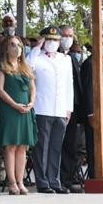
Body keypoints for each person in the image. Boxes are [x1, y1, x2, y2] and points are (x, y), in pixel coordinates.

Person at [27, 26, 73, 194]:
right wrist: (36, 48)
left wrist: (69, 108)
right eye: (49, 40)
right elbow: (27, 68)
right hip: (42, 108)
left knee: (56, 147)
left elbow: (69, 85)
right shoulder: (36, 58)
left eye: (55, 40)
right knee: (42, 148)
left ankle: (54, 180)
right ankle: (42, 181)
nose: (52, 43)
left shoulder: (64, 59)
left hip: (60, 109)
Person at [0, 35, 37, 195]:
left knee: (23, 146)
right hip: (10, 109)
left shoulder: (25, 67)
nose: (17, 48)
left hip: (25, 110)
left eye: (19, 45)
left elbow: (33, 88)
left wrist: (31, 103)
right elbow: (0, 89)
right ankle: (12, 181)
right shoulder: (2, 67)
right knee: (11, 146)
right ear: (6, 48)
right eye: (13, 45)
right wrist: (14, 104)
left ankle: (20, 181)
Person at [80, 35, 103, 183]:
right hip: (96, 112)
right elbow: (88, 89)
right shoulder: (90, 64)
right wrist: (90, 112)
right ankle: (95, 176)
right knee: (94, 147)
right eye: (102, 43)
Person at [57, 25, 87, 193]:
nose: (67, 38)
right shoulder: (52, 56)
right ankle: (58, 179)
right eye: (64, 35)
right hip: (56, 107)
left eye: (70, 35)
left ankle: (68, 178)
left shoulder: (73, 59)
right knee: (57, 145)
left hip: (73, 108)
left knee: (71, 145)